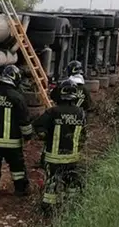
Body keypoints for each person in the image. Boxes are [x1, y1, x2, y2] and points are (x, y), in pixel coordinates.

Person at [32, 79, 87, 214]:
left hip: (54, 158)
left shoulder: (53, 112)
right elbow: (84, 135)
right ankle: (72, 207)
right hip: (73, 158)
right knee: (72, 181)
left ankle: (49, 209)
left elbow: (38, 124)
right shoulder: (80, 113)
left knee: (52, 182)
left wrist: (42, 134)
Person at [0, 65, 33, 198]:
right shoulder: (17, 97)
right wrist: (28, 136)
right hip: (12, 142)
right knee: (17, 166)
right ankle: (21, 189)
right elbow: (24, 120)